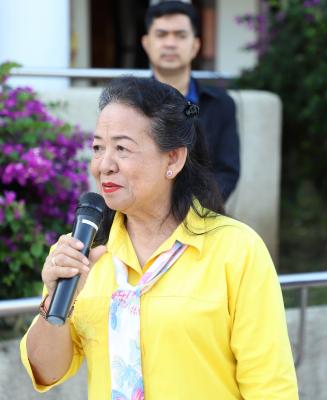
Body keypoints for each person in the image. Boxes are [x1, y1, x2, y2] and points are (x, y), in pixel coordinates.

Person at [20, 77, 298, 400]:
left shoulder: (237, 250)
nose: (104, 165)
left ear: (173, 159)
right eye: (98, 148)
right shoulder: (80, 253)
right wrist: (56, 302)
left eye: (122, 149)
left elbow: (271, 388)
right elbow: (47, 371)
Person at [142, 0, 240, 201]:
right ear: (146, 43)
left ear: (195, 45)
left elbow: (227, 172)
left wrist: (196, 210)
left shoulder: (220, 104)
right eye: (161, 34)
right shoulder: (129, 105)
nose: (170, 43)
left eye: (180, 35)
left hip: (203, 213)